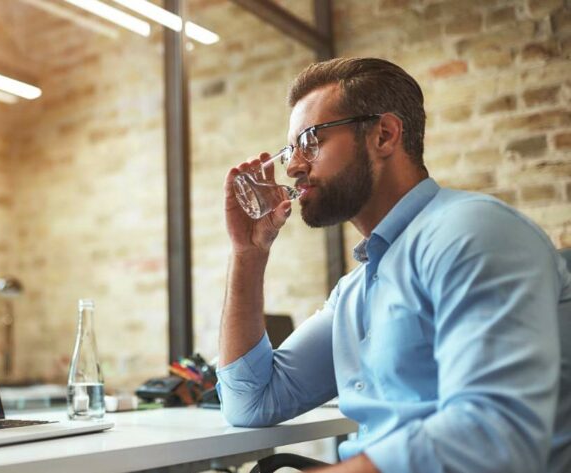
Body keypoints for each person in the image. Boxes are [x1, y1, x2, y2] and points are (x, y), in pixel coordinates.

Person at [217, 57, 571, 473]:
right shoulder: (358, 290)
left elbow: (492, 437)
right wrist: (249, 253)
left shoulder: (474, 233)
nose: (293, 166)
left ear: (384, 135)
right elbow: (251, 401)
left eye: (310, 141)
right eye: (290, 150)